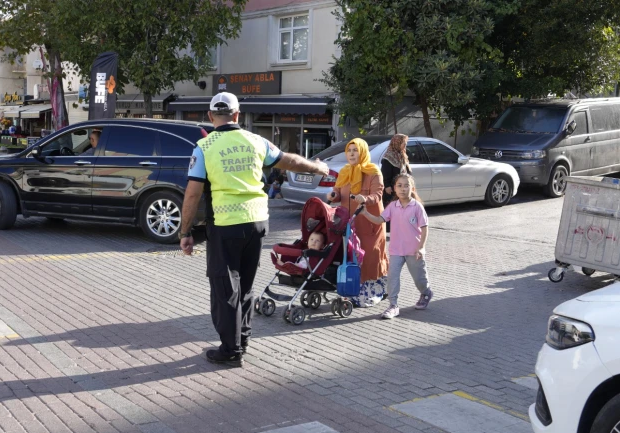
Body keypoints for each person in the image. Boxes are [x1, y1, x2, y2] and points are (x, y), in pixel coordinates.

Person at [179, 92, 329, 367]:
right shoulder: (256, 141)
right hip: (257, 223)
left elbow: (192, 193)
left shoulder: (204, 147)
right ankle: (243, 340)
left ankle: (230, 350)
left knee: (225, 288)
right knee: (245, 286)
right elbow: (290, 161)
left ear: (211, 116)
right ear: (237, 115)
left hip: (225, 225)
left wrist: (185, 232)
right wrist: (317, 167)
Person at [326, 138, 388, 308]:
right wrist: (332, 196)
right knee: (353, 255)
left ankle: (374, 291)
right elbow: (337, 192)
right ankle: (351, 288)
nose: (352, 154)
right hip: (349, 223)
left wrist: (365, 199)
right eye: (349, 150)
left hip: (370, 222)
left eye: (355, 150)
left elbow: (378, 195)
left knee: (370, 256)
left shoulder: (373, 171)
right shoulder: (344, 171)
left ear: (363, 152)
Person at [360, 173, 432, 319]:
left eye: (406, 186)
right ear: (394, 188)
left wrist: (421, 247)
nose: (403, 189)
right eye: (399, 186)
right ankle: (393, 305)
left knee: (419, 279)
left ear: (412, 188)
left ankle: (426, 293)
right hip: (396, 251)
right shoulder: (393, 206)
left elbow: (425, 228)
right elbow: (379, 219)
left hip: (414, 251)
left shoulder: (417, 207)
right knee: (392, 278)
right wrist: (365, 213)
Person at [381, 134, 412, 209]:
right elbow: (385, 173)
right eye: (403, 143)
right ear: (397, 143)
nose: (405, 145)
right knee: (393, 209)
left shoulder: (402, 155)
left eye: (405, 143)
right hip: (393, 190)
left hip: (403, 188)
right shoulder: (388, 157)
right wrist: (387, 185)